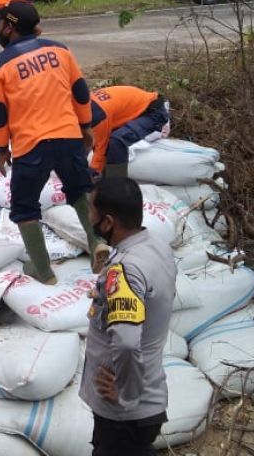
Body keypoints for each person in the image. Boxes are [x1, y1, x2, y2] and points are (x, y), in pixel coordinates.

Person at [0, 0, 108, 283]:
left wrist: (2, 148)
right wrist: (85, 126)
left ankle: (43, 271)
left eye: (1, 22)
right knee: (80, 189)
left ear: (10, 27)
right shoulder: (60, 50)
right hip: (68, 136)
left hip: (31, 144)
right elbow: (79, 90)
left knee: (25, 206)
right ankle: (96, 241)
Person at [81, 177, 177, 456]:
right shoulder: (158, 248)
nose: (89, 217)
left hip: (124, 415)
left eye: (91, 210)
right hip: (147, 400)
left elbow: (125, 342)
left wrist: (126, 392)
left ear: (108, 222)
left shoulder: (125, 270)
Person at [88, 86, 171, 179]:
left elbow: (101, 146)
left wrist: (93, 171)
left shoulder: (97, 114)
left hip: (153, 113)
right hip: (134, 111)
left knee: (116, 141)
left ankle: (116, 185)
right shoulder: (83, 105)